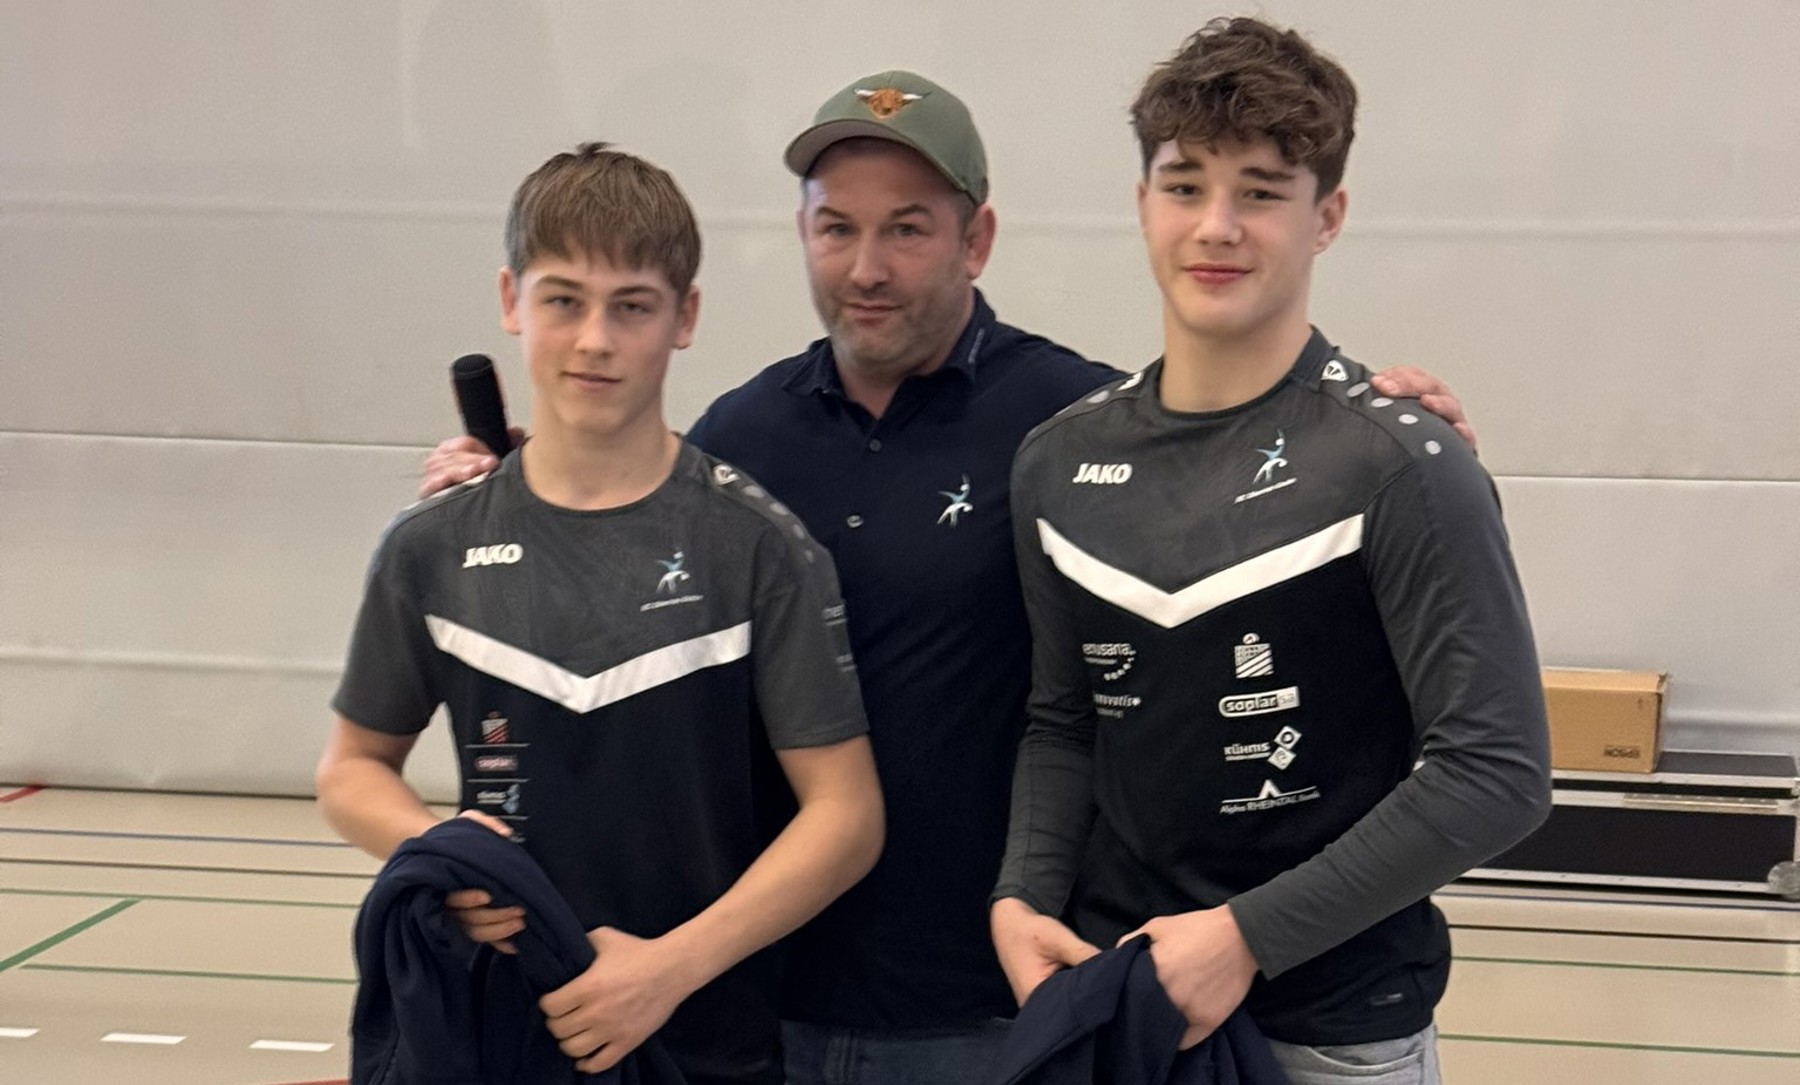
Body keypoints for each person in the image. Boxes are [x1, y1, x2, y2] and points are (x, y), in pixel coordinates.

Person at [421, 75, 1477, 1085]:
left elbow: (1246, 523)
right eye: (837, 228)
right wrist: (517, 489)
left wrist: (1388, 430)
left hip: (1003, 998)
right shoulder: (740, 436)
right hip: (765, 997)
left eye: (907, 229)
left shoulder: (1074, 428)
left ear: (977, 239)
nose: (866, 266)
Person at [988, 17, 1552, 1085]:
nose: (1217, 225)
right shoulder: (1056, 463)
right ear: (1143, 202)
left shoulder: (1401, 461)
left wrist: (1246, 935)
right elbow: (1064, 723)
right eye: (1185, 184)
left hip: (1335, 1030)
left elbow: (1497, 774)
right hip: (1124, 1003)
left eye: (1260, 190)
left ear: (1326, 216)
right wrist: (1021, 895)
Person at [316, 142, 884, 1085]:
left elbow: (847, 813)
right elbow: (351, 768)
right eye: (563, 300)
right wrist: (441, 851)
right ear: (511, 300)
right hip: (495, 1036)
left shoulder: (757, 545)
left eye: (632, 306)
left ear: (684, 317)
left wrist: (670, 968)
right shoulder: (431, 545)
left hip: (701, 1041)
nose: (594, 340)